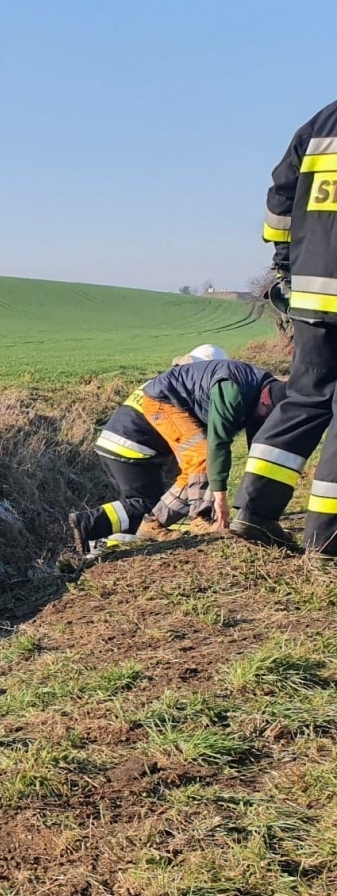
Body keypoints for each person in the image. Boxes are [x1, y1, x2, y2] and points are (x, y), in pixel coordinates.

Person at [232, 99, 337, 555]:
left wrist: (284, 261)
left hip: (312, 293)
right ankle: (327, 538)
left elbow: (280, 196)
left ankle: (254, 511)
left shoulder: (322, 123)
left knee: (307, 398)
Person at [69, 356, 284, 554]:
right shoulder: (232, 389)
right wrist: (219, 497)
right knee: (203, 456)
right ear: (264, 397)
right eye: (265, 413)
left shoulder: (261, 395)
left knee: (186, 476)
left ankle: (153, 523)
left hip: (133, 433)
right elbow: (218, 443)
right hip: (154, 412)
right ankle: (201, 519)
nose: (262, 418)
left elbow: (257, 447)